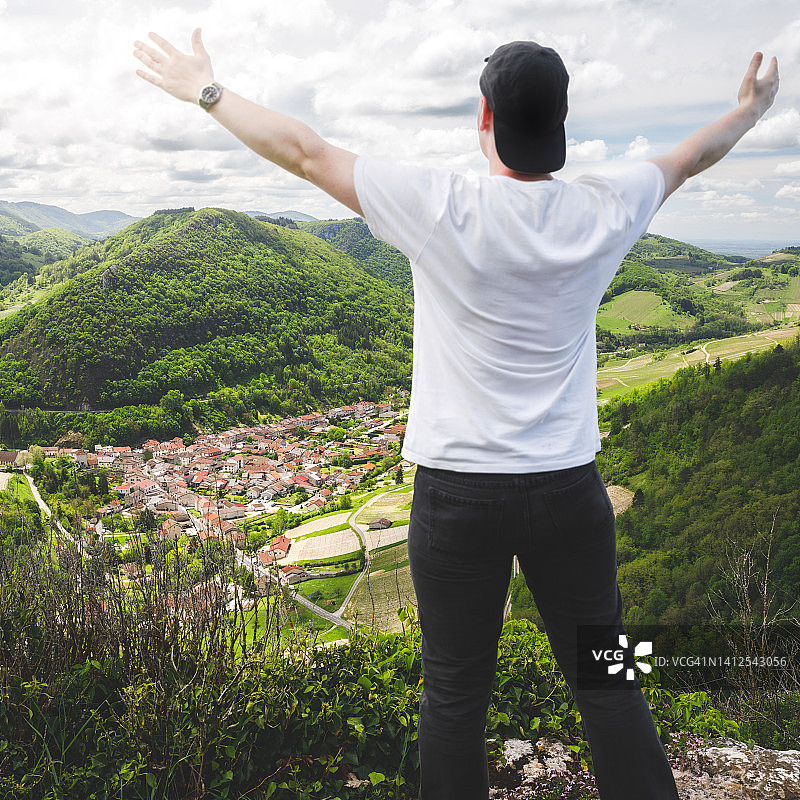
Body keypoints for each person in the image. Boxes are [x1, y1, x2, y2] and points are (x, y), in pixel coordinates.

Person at [134, 31, 779, 800]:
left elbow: (305, 152)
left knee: (454, 695)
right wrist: (749, 111)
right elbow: (691, 156)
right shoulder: (609, 204)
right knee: (608, 676)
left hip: (458, 499)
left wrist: (207, 91)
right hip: (572, 493)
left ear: (485, 114)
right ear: (564, 119)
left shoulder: (440, 204)